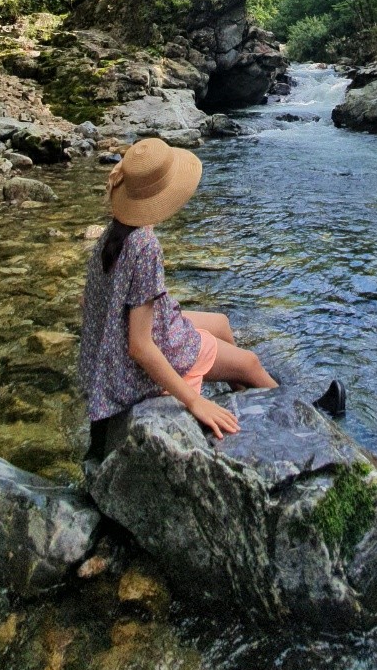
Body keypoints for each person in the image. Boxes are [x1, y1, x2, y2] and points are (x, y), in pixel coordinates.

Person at [79, 136, 282, 449]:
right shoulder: (145, 246)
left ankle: (246, 399)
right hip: (129, 367)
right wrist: (192, 402)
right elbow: (140, 347)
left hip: (112, 349)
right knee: (251, 362)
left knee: (222, 324)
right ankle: (293, 411)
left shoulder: (115, 232)